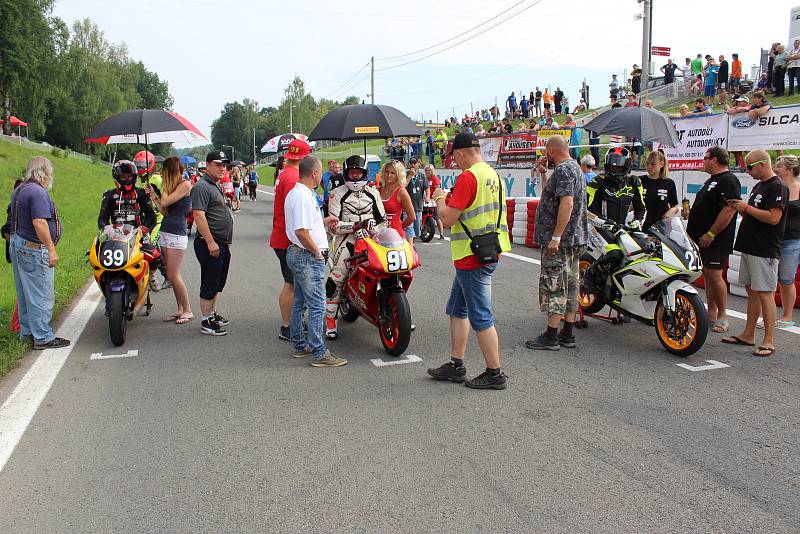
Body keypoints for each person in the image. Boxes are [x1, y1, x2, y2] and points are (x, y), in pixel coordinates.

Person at [427, 132, 510, 390]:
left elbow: (449, 218)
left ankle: (495, 373)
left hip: (471, 256)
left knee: (481, 317)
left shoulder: (468, 177)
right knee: (456, 309)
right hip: (488, 249)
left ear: (460, 154)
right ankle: (456, 364)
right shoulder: (493, 174)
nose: (455, 163)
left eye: (454, 158)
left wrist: (440, 198)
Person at [526, 135, 589, 350]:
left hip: (562, 241)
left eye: (546, 151)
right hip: (575, 238)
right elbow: (550, 197)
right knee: (571, 285)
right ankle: (567, 333)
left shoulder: (563, 170)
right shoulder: (576, 169)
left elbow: (567, 203)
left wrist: (555, 236)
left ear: (552, 151)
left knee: (554, 285)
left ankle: (551, 335)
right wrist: (544, 175)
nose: (545, 155)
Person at [723, 151, 788, 357]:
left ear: (762, 164)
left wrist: (746, 208)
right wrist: (740, 208)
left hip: (764, 248)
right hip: (750, 246)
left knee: (765, 293)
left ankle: (768, 340)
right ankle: (748, 334)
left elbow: (773, 217)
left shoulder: (777, 186)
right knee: (752, 291)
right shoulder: (760, 186)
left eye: (749, 167)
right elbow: (756, 212)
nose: (747, 171)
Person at [285, 156, 348, 367]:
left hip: (299, 253)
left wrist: (322, 222)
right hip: (307, 255)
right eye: (320, 172)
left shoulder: (300, 194)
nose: (322, 176)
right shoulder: (303, 196)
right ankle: (319, 352)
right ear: (314, 173)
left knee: (300, 302)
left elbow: (305, 224)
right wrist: (317, 253)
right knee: (318, 304)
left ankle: (300, 345)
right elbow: (301, 231)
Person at [6, 157, 69, 350]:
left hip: (19, 244)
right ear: (42, 174)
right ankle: (42, 336)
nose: (51, 178)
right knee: (41, 293)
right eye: (50, 174)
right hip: (33, 247)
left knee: (25, 293)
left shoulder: (20, 189)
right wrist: (51, 248)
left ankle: (27, 333)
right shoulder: (37, 192)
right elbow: (39, 223)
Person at [325, 155, 387, 340]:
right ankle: (330, 321)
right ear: (346, 174)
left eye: (358, 173)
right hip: (347, 240)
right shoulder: (337, 193)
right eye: (351, 173)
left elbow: (383, 220)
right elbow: (334, 226)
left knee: (384, 270)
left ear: (364, 173)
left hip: (372, 239)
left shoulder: (373, 193)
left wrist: (374, 229)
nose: (354, 176)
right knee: (336, 278)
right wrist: (355, 226)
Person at [686, 147, 741, 333]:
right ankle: (711, 312)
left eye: (705, 158)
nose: (703, 161)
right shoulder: (712, 180)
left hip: (714, 239)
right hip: (700, 238)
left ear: (715, 160)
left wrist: (711, 233)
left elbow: (729, 210)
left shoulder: (729, 180)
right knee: (708, 276)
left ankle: (723, 315)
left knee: (716, 276)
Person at [270, 139, 311, 341]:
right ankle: (287, 326)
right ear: (303, 157)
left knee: (292, 283)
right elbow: (294, 211)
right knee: (291, 284)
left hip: (281, 234)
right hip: (287, 237)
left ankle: (291, 323)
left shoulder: (285, 172)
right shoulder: (293, 177)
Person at [191, 150, 235, 336]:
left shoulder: (213, 185)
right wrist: (210, 242)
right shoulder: (201, 186)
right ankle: (206, 321)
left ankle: (211, 313)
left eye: (224, 165)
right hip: (210, 242)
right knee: (209, 282)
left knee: (218, 281)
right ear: (207, 165)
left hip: (220, 242)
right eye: (218, 164)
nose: (222, 168)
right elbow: (199, 216)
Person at [157, 157, 193, 325]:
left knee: (173, 275)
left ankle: (187, 310)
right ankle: (180, 309)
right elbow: (165, 211)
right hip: (165, 231)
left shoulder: (185, 185)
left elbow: (165, 201)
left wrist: (163, 190)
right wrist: (153, 197)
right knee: (172, 276)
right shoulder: (172, 188)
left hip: (176, 235)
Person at [775, 155, 800, 327]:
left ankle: (787, 316)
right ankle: (769, 315)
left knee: (786, 279)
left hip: (793, 240)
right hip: (774, 238)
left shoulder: (799, 188)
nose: (775, 168)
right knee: (770, 280)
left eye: (779, 165)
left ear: (789, 169)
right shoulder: (776, 187)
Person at [98, 160, 157, 231]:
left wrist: (142, 230)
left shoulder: (141, 193)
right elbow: (102, 219)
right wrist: (108, 231)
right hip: (116, 236)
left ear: (134, 176)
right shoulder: (109, 195)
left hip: (138, 236)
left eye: (129, 176)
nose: (127, 180)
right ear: (116, 177)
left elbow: (151, 216)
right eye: (123, 177)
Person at [641, 150, 678, 231]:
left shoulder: (669, 183)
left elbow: (674, 206)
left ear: (661, 164)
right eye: (647, 163)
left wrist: (672, 211)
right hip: (643, 227)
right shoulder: (640, 180)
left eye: (653, 164)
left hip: (662, 228)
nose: (649, 167)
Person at [379, 160, 415, 238]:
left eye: (393, 173)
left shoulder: (401, 192)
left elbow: (412, 217)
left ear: (398, 175)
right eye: (387, 172)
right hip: (378, 235)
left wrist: (399, 226)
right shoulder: (377, 191)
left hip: (396, 237)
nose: (389, 175)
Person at [404, 158, 428, 244]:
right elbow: (403, 185)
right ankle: (410, 246)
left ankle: (412, 244)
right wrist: (410, 175)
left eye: (414, 163)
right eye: (411, 163)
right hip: (407, 207)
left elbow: (427, 187)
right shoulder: (406, 174)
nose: (412, 165)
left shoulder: (422, 176)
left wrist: (427, 196)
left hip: (418, 206)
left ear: (419, 164)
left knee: (417, 231)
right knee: (409, 228)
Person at [425, 164, 445, 239]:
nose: (427, 172)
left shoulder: (435, 179)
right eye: (426, 170)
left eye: (429, 170)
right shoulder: (425, 178)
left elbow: (437, 190)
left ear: (432, 171)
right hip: (426, 200)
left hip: (433, 201)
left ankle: (441, 234)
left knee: (437, 217)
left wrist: (435, 199)